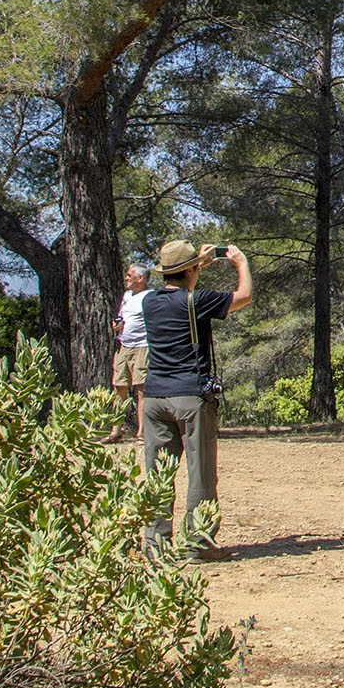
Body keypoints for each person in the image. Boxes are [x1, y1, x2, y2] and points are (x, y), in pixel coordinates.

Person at [141, 240, 253, 559]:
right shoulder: (197, 301)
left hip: (154, 396)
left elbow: (180, 284)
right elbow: (244, 296)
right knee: (201, 473)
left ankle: (155, 544)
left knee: (158, 473)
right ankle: (199, 542)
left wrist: (196, 264)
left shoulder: (149, 301)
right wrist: (241, 264)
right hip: (190, 396)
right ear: (189, 270)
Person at [109, 264, 150, 444]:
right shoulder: (127, 296)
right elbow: (122, 317)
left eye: (129, 275)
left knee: (142, 390)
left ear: (140, 278)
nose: (126, 278)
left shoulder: (149, 296)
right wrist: (117, 325)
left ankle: (142, 433)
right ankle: (115, 431)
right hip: (123, 346)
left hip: (142, 347)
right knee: (119, 387)